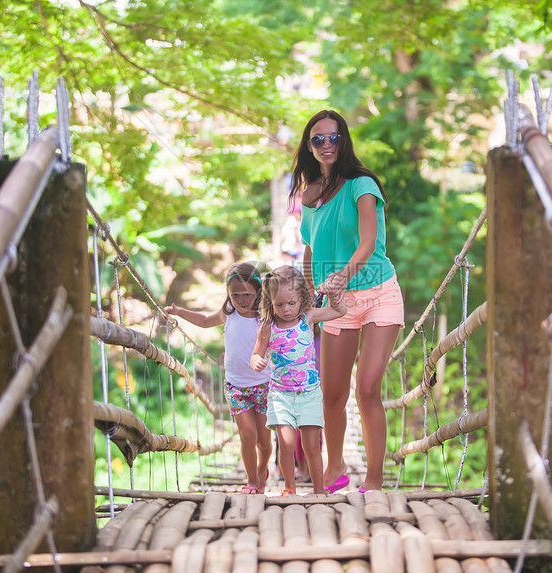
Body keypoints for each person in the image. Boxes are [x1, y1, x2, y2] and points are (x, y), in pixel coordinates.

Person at [291, 110, 405, 493]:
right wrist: (309, 301)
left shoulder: (362, 185)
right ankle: (335, 466)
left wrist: (341, 277)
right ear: (309, 146)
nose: (326, 145)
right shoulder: (309, 196)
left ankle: (373, 480)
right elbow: (309, 249)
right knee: (332, 395)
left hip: (377, 295)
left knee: (367, 389)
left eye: (334, 137)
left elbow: (368, 242)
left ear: (345, 141)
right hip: (337, 306)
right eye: (318, 139)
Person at [164, 262, 272, 494]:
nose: (241, 300)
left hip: (264, 385)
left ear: (258, 292)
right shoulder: (228, 314)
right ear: (228, 294)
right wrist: (180, 312)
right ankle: (252, 481)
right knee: (247, 435)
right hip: (236, 386)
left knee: (264, 441)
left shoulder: (265, 318)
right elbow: (204, 321)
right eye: (235, 295)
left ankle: (263, 470)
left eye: (247, 295)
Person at [250, 265, 347, 496]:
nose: (285, 309)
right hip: (280, 395)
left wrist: (334, 297)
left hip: (309, 394)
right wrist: (256, 362)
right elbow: (256, 354)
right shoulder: (267, 327)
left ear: (301, 298)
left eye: (291, 303)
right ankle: (290, 488)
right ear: (270, 302)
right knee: (286, 443)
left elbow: (339, 311)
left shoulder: (309, 317)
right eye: (279, 304)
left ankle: (318, 489)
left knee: (312, 446)